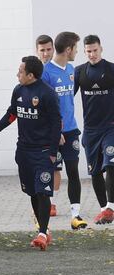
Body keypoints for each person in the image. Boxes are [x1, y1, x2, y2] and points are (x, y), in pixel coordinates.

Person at [0, 56, 61, 251]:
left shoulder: (47, 94)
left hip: (44, 151)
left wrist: (53, 151)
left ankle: (42, 233)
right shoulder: (18, 90)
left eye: (20, 71)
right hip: (24, 151)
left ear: (31, 75)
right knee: (31, 192)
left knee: (42, 192)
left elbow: (56, 123)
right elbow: (11, 114)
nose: (17, 74)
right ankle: (44, 230)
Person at [41, 32, 88, 230]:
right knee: (46, 173)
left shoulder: (71, 69)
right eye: (76, 48)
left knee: (73, 172)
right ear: (68, 49)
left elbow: (68, 99)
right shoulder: (46, 72)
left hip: (71, 130)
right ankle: (41, 215)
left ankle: (75, 215)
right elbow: (43, 105)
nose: (77, 51)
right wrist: (54, 131)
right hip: (52, 133)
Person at [74, 35, 114, 224]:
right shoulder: (80, 72)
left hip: (110, 128)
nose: (92, 54)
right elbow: (66, 99)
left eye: (95, 50)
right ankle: (104, 209)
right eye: (88, 51)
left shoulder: (112, 69)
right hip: (90, 130)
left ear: (101, 49)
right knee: (95, 171)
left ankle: (111, 207)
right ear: (84, 52)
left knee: (110, 163)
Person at [36, 34, 58, 217]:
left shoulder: (60, 69)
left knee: (56, 166)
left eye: (48, 49)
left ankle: (53, 202)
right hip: (41, 131)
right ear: (37, 51)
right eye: (42, 50)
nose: (46, 53)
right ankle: (43, 201)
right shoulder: (35, 72)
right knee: (43, 167)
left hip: (58, 126)